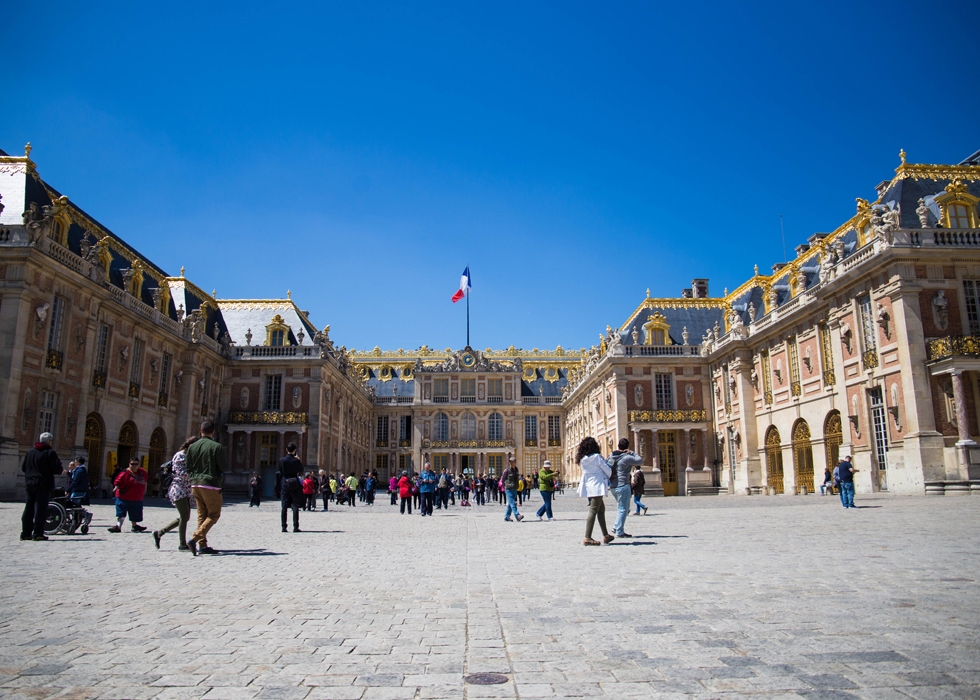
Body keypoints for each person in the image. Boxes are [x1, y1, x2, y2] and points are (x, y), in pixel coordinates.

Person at [185, 419, 227, 556]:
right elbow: (224, 467)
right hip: (210, 484)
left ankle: (202, 545)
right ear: (213, 431)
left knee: (201, 515)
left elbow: (188, 467)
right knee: (214, 514)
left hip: (195, 483)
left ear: (200, 431)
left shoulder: (192, 447)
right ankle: (194, 539)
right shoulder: (216, 447)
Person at [153, 436, 197, 551]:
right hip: (178, 489)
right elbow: (181, 473)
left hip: (186, 490)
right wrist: (195, 472)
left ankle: (160, 533)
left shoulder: (190, 456)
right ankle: (182, 544)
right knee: (184, 516)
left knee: (185, 517)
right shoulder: (179, 456)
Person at [20, 432, 64, 541]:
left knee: (29, 508)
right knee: (40, 509)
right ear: (49, 441)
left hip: (30, 483)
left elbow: (24, 468)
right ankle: (38, 533)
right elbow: (56, 468)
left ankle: (26, 533)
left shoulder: (30, 452)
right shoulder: (50, 452)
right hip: (43, 484)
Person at [577, 436, 613, 546]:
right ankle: (587, 537)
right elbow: (607, 470)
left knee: (601, 510)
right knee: (593, 511)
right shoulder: (597, 457)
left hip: (589, 486)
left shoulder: (582, 460)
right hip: (597, 485)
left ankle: (606, 535)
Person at [607, 438, 642, 538]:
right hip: (623, 485)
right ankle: (619, 531)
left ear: (618, 446)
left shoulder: (612, 456)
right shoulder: (626, 457)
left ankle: (616, 526)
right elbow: (640, 461)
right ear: (627, 447)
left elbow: (606, 465)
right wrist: (632, 452)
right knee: (623, 509)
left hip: (613, 486)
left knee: (623, 508)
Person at [108, 458, 148, 533]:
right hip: (124, 497)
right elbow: (118, 481)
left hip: (136, 497)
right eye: (132, 464)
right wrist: (116, 486)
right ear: (129, 464)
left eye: (136, 464)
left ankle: (134, 526)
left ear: (138, 465)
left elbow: (145, 479)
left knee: (135, 513)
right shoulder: (124, 473)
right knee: (121, 512)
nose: (134, 466)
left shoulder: (142, 472)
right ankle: (118, 526)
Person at [276, 442, 305, 532]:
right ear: (295, 450)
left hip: (285, 482)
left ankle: (284, 527)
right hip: (294, 482)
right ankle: (295, 526)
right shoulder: (296, 460)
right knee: (295, 504)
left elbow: (279, 471)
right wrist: (298, 460)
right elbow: (300, 470)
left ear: (286, 450)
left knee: (284, 505)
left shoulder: (282, 460)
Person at [502, 457, 524, 522]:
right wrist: (506, 486)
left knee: (510, 504)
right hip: (508, 489)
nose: (511, 463)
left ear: (515, 462)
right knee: (513, 503)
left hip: (514, 488)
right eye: (510, 462)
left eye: (512, 462)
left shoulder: (516, 470)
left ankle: (506, 516)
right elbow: (502, 479)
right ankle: (517, 515)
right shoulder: (506, 470)